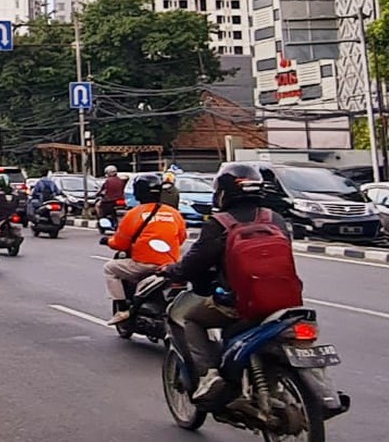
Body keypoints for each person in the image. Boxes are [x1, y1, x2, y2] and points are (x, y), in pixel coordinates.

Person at [163, 163, 297, 406]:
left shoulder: (220, 223)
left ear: (223, 193)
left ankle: (209, 374)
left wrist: (172, 270)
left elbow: (195, 262)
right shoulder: (275, 219)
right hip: (285, 301)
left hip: (239, 304)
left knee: (188, 317)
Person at [105, 173, 187, 324]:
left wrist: (108, 241)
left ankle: (122, 309)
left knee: (110, 268)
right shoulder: (174, 214)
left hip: (143, 265)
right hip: (170, 265)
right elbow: (181, 238)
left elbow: (120, 244)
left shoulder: (133, 214)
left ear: (138, 192)